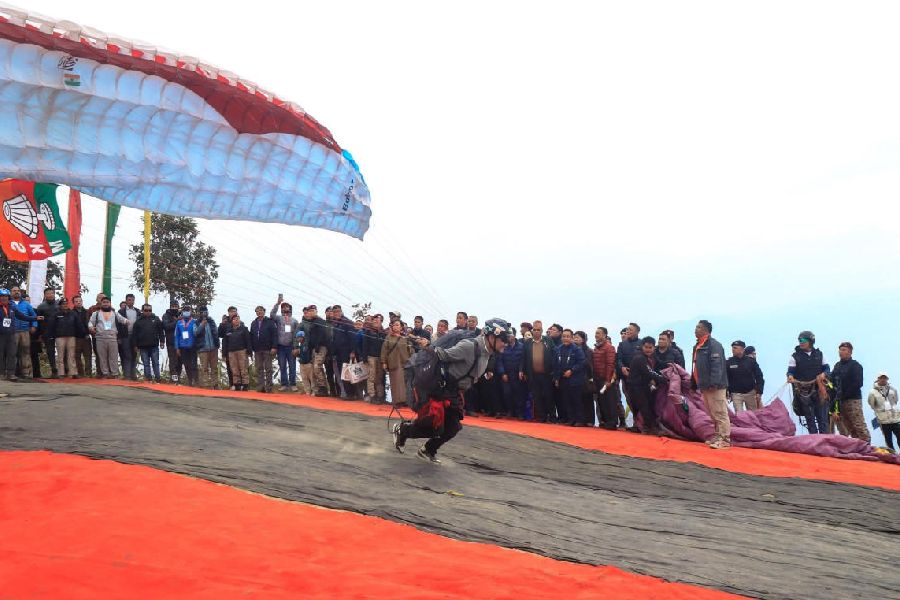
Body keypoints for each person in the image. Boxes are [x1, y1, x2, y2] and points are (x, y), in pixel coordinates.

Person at [394, 319, 511, 463]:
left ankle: (428, 450)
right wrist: (428, 346)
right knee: (434, 427)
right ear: (492, 337)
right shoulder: (469, 347)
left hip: (454, 392)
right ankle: (402, 431)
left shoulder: (488, 354)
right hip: (440, 389)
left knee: (453, 427)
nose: (505, 343)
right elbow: (443, 355)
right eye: (503, 339)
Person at [692, 320, 730, 449]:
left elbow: (717, 365)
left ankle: (725, 439)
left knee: (720, 411)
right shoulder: (698, 345)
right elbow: (696, 366)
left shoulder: (713, 345)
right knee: (712, 412)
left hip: (715, 386)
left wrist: (714, 382)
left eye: (699, 327)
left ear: (706, 330)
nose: (696, 329)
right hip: (704, 385)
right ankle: (718, 435)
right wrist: (694, 382)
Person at [787, 330, 830, 435]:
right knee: (809, 418)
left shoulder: (820, 354)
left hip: (819, 389)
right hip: (804, 392)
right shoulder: (795, 356)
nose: (801, 342)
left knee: (822, 418)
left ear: (811, 341)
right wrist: (790, 377)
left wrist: (824, 374)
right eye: (799, 340)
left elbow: (827, 368)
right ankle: (814, 441)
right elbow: (790, 371)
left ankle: (825, 440)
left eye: (803, 340)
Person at [829, 342, 869, 442]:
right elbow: (832, 382)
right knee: (849, 426)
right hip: (840, 401)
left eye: (844, 350)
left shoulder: (855, 365)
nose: (841, 352)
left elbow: (858, 383)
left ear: (850, 352)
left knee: (858, 424)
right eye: (840, 350)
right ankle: (858, 446)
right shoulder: (837, 366)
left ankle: (867, 446)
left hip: (853, 400)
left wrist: (845, 394)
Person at [627, 336, 667, 434]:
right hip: (635, 386)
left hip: (644, 386)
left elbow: (660, 364)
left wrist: (671, 366)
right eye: (646, 347)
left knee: (648, 405)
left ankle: (643, 426)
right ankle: (647, 428)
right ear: (642, 347)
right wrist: (663, 379)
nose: (648, 349)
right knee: (644, 407)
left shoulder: (652, 357)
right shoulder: (639, 358)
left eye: (650, 347)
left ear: (654, 348)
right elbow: (649, 372)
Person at [0, 288, 42, 380]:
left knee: (13, 353)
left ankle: (12, 374)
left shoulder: (12, 306)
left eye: (5, 296)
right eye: (2, 296)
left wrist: (34, 319)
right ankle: (2, 373)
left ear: (8, 297)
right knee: (2, 354)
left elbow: (22, 316)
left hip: (12, 333)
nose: (4, 298)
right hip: (1, 334)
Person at [520, 321, 557, 422]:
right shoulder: (527, 343)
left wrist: (554, 371)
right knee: (537, 396)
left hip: (547, 374)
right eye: (534, 330)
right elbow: (523, 358)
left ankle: (552, 417)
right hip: (533, 375)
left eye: (538, 330)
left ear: (542, 330)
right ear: (532, 331)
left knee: (548, 396)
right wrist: (521, 370)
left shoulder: (548, 340)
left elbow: (554, 355)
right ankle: (542, 417)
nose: (536, 332)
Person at [88, 297, 128, 378]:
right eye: (104, 302)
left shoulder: (115, 313)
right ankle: (105, 373)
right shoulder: (96, 314)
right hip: (100, 338)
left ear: (110, 303)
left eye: (107, 302)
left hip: (112, 338)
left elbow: (123, 320)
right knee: (102, 357)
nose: (106, 304)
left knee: (113, 357)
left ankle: (114, 374)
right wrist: (91, 328)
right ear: (101, 304)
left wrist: (128, 321)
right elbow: (90, 323)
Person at [555, 329, 587, 426]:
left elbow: (582, 363)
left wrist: (572, 370)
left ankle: (579, 420)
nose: (565, 338)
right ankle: (570, 419)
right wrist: (556, 378)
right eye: (564, 336)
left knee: (576, 400)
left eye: (568, 336)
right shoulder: (559, 349)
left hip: (575, 379)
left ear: (572, 338)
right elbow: (556, 364)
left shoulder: (577, 349)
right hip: (563, 379)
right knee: (566, 400)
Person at [49, 297, 86, 378]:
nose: (65, 305)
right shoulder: (56, 314)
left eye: (66, 304)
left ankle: (73, 373)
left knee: (71, 355)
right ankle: (61, 373)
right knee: (60, 356)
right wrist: (50, 336)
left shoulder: (73, 313)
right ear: (60, 305)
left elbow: (79, 325)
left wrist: (83, 333)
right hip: (59, 337)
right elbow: (51, 326)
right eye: (63, 304)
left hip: (71, 336)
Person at [381, 319, 414, 407]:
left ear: (401, 327)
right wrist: (384, 362)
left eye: (397, 325)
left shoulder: (405, 338)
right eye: (394, 325)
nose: (395, 327)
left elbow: (411, 350)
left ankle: (405, 401)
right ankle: (396, 401)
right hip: (393, 362)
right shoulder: (388, 337)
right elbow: (384, 350)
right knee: (395, 382)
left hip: (404, 362)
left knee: (404, 383)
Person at [271, 297, 300, 391]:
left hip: (291, 347)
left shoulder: (295, 321)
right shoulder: (279, 318)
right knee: (282, 365)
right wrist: (277, 303)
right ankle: (284, 384)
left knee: (292, 366)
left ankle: (293, 384)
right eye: (283, 307)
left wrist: (296, 347)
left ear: (290, 309)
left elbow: (296, 335)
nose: (285, 308)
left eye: (287, 307)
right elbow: (272, 315)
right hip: (281, 347)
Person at [726, 340, 765, 411]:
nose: (733, 350)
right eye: (732, 348)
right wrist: (727, 391)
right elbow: (725, 378)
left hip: (750, 393)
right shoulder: (728, 362)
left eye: (735, 348)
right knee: (740, 416)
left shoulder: (751, 361)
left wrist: (759, 391)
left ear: (742, 349)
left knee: (754, 415)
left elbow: (759, 376)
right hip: (736, 394)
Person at [592, 327, 619, 430]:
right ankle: (606, 421)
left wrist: (608, 380)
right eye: (596, 333)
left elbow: (610, 364)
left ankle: (612, 422)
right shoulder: (596, 348)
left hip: (606, 379)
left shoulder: (609, 347)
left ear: (604, 335)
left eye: (598, 333)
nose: (596, 335)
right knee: (602, 401)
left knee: (610, 401)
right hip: (598, 378)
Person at [329, 305, 357, 399]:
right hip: (338, 353)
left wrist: (353, 351)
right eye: (334, 312)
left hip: (347, 351)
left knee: (347, 373)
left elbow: (352, 338)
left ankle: (351, 394)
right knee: (342, 373)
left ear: (341, 312)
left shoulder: (347, 322)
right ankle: (345, 393)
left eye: (338, 311)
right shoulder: (334, 324)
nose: (336, 313)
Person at [497, 329, 526, 419]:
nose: (509, 337)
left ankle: (519, 413)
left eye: (510, 335)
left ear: (514, 335)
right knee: (507, 393)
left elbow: (523, 360)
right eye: (507, 336)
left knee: (519, 394)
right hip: (507, 374)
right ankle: (510, 411)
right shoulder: (503, 347)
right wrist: (502, 373)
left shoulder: (521, 347)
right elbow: (499, 361)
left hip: (517, 375)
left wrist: (521, 371)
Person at [132, 304, 165, 383]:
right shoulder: (138, 321)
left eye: (150, 310)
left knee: (155, 362)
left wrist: (162, 341)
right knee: (146, 363)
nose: (148, 312)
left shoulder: (156, 319)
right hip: (143, 347)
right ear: (142, 311)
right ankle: (148, 378)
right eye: (146, 310)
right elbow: (134, 334)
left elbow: (161, 331)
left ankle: (158, 378)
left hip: (154, 345)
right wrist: (135, 345)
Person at [301, 305, 329, 396]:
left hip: (321, 347)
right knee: (315, 368)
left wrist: (317, 345)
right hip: (313, 348)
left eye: (313, 310)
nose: (311, 312)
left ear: (316, 311)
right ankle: (321, 388)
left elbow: (322, 334)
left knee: (317, 367)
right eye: (309, 311)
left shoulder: (320, 321)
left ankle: (323, 388)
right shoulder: (311, 322)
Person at [10, 286, 37, 379]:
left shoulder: (26, 304)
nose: (16, 292)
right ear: (11, 293)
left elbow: (34, 315)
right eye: (14, 291)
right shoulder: (8, 304)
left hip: (25, 331)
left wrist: (34, 325)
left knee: (25, 352)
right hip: (12, 332)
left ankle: (26, 373)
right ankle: (11, 373)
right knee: (11, 353)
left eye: (18, 291)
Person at [868, 373, 899, 451]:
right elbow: (872, 404)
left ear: (887, 379)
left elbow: (896, 401)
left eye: (885, 378)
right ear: (878, 379)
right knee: (888, 439)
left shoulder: (893, 389)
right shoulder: (872, 392)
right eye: (881, 378)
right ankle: (893, 456)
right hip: (883, 420)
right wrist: (880, 411)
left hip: (895, 418)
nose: (883, 379)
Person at [359, 314, 386, 403]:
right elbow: (364, 346)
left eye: (377, 321)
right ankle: (372, 395)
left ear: (381, 322)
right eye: (374, 321)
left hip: (380, 357)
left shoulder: (383, 333)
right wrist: (364, 358)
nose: (375, 322)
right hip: (371, 357)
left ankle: (380, 395)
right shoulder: (368, 332)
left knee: (379, 377)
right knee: (371, 376)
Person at [250, 305, 277, 393]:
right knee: (259, 368)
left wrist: (274, 346)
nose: (259, 312)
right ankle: (260, 387)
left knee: (268, 368)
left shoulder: (270, 322)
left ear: (264, 311)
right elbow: (251, 336)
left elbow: (274, 335)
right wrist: (252, 348)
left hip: (268, 348)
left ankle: (269, 388)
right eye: (257, 311)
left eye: (261, 310)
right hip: (257, 349)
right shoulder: (253, 323)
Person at [36, 287, 60, 378]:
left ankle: (64, 371)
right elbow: (38, 321)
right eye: (48, 293)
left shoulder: (59, 304)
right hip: (47, 332)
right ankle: (54, 370)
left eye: (52, 293)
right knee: (50, 352)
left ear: (54, 294)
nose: (50, 295)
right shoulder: (41, 307)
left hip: (60, 333)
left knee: (62, 352)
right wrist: (40, 334)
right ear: (45, 295)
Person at [194, 306, 220, 388]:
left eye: (206, 311)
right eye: (203, 312)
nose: (205, 313)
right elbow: (195, 333)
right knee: (204, 368)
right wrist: (202, 325)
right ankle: (206, 385)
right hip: (203, 349)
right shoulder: (196, 322)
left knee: (214, 368)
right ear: (200, 313)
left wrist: (217, 344)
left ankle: (215, 385)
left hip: (213, 348)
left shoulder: (211, 321)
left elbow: (216, 332)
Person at [224, 315, 251, 391]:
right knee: (234, 368)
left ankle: (245, 384)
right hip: (231, 352)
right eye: (235, 319)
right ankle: (237, 384)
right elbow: (225, 342)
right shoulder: (229, 331)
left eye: (238, 319)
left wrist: (249, 351)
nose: (236, 320)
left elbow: (248, 340)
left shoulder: (244, 329)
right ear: (232, 321)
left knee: (243, 367)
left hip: (242, 351)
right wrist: (224, 353)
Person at [574, 331, 595, 426]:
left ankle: (590, 420)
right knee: (578, 400)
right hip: (575, 377)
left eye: (577, 337)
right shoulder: (573, 349)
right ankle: (580, 419)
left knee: (588, 400)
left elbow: (590, 365)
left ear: (583, 339)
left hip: (586, 378)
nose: (575, 339)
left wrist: (590, 378)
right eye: (574, 337)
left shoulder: (589, 351)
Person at [174, 305, 199, 386]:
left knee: (194, 364)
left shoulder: (194, 322)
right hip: (182, 347)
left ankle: (196, 381)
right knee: (186, 364)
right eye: (185, 310)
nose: (186, 312)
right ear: (182, 312)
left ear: (191, 311)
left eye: (188, 310)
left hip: (192, 346)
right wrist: (177, 347)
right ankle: (190, 380)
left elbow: (197, 334)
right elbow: (176, 336)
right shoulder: (179, 322)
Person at [120, 293, 140, 380]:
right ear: (126, 300)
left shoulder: (138, 311)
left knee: (134, 355)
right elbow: (118, 325)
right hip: (125, 336)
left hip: (135, 336)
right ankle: (127, 375)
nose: (131, 302)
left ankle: (133, 375)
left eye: (132, 300)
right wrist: (119, 337)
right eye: (129, 300)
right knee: (127, 355)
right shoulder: (121, 312)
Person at [72, 295, 92, 378]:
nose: (78, 302)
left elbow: (90, 324)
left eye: (80, 301)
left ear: (82, 301)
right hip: (76, 337)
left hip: (86, 337)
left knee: (88, 355)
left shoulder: (87, 312)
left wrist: (88, 333)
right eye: (76, 301)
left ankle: (88, 373)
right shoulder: (71, 312)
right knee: (77, 356)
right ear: (73, 303)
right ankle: (80, 373)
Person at [162, 301, 181, 383]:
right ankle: (173, 380)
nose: (174, 308)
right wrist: (176, 321)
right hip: (171, 342)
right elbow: (166, 326)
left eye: (176, 306)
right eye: (173, 306)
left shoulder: (181, 315)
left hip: (181, 343)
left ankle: (178, 379)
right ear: (170, 307)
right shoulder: (166, 315)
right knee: (173, 362)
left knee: (180, 362)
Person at [294, 330, 314, 394]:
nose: (298, 339)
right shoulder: (301, 345)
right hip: (302, 363)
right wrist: (297, 354)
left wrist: (311, 360)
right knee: (304, 378)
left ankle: (314, 391)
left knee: (312, 378)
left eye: (299, 337)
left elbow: (310, 353)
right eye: (297, 338)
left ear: (303, 337)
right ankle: (307, 391)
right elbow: (301, 354)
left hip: (308, 363)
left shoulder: (308, 344)